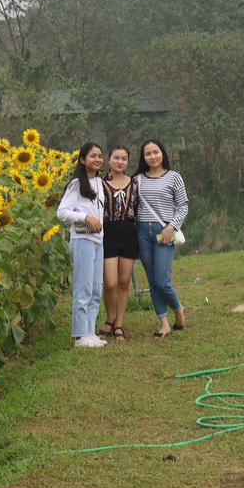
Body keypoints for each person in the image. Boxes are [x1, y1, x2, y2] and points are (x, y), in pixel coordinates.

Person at [56, 143, 109, 349]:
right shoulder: (77, 184)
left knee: (96, 288)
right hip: (82, 240)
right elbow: (62, 212)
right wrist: (85, 217)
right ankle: (80, 335)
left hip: (98, 241)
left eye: (100, 156)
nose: (98, 159)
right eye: (93, 156)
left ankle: (90, 332)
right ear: (82, 159)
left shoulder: (99, 182)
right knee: (83, 288)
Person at [134, 138, 189, 339]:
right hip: (142, 232)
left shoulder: (174, 177)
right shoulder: (137, 179)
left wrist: (171, 227)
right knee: (152, 281)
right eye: (148, 154)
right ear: (144, 157)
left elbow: (183, 206)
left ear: (162, 153)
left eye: (155, 152)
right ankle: (164, 323)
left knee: (163, 280)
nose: (152, 157)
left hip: (164, 231)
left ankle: (178, 309)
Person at [100, 145, 140, 341]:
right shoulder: (100, 184)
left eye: (124, 159)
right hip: (107, 235)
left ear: (128, 162)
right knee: (110, 283)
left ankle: (119, 324)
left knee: (123, 283)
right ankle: (109, 318)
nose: (120, 162)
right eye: (116, 158)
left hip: (128, 235)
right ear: (109, 160)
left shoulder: (134, 183)